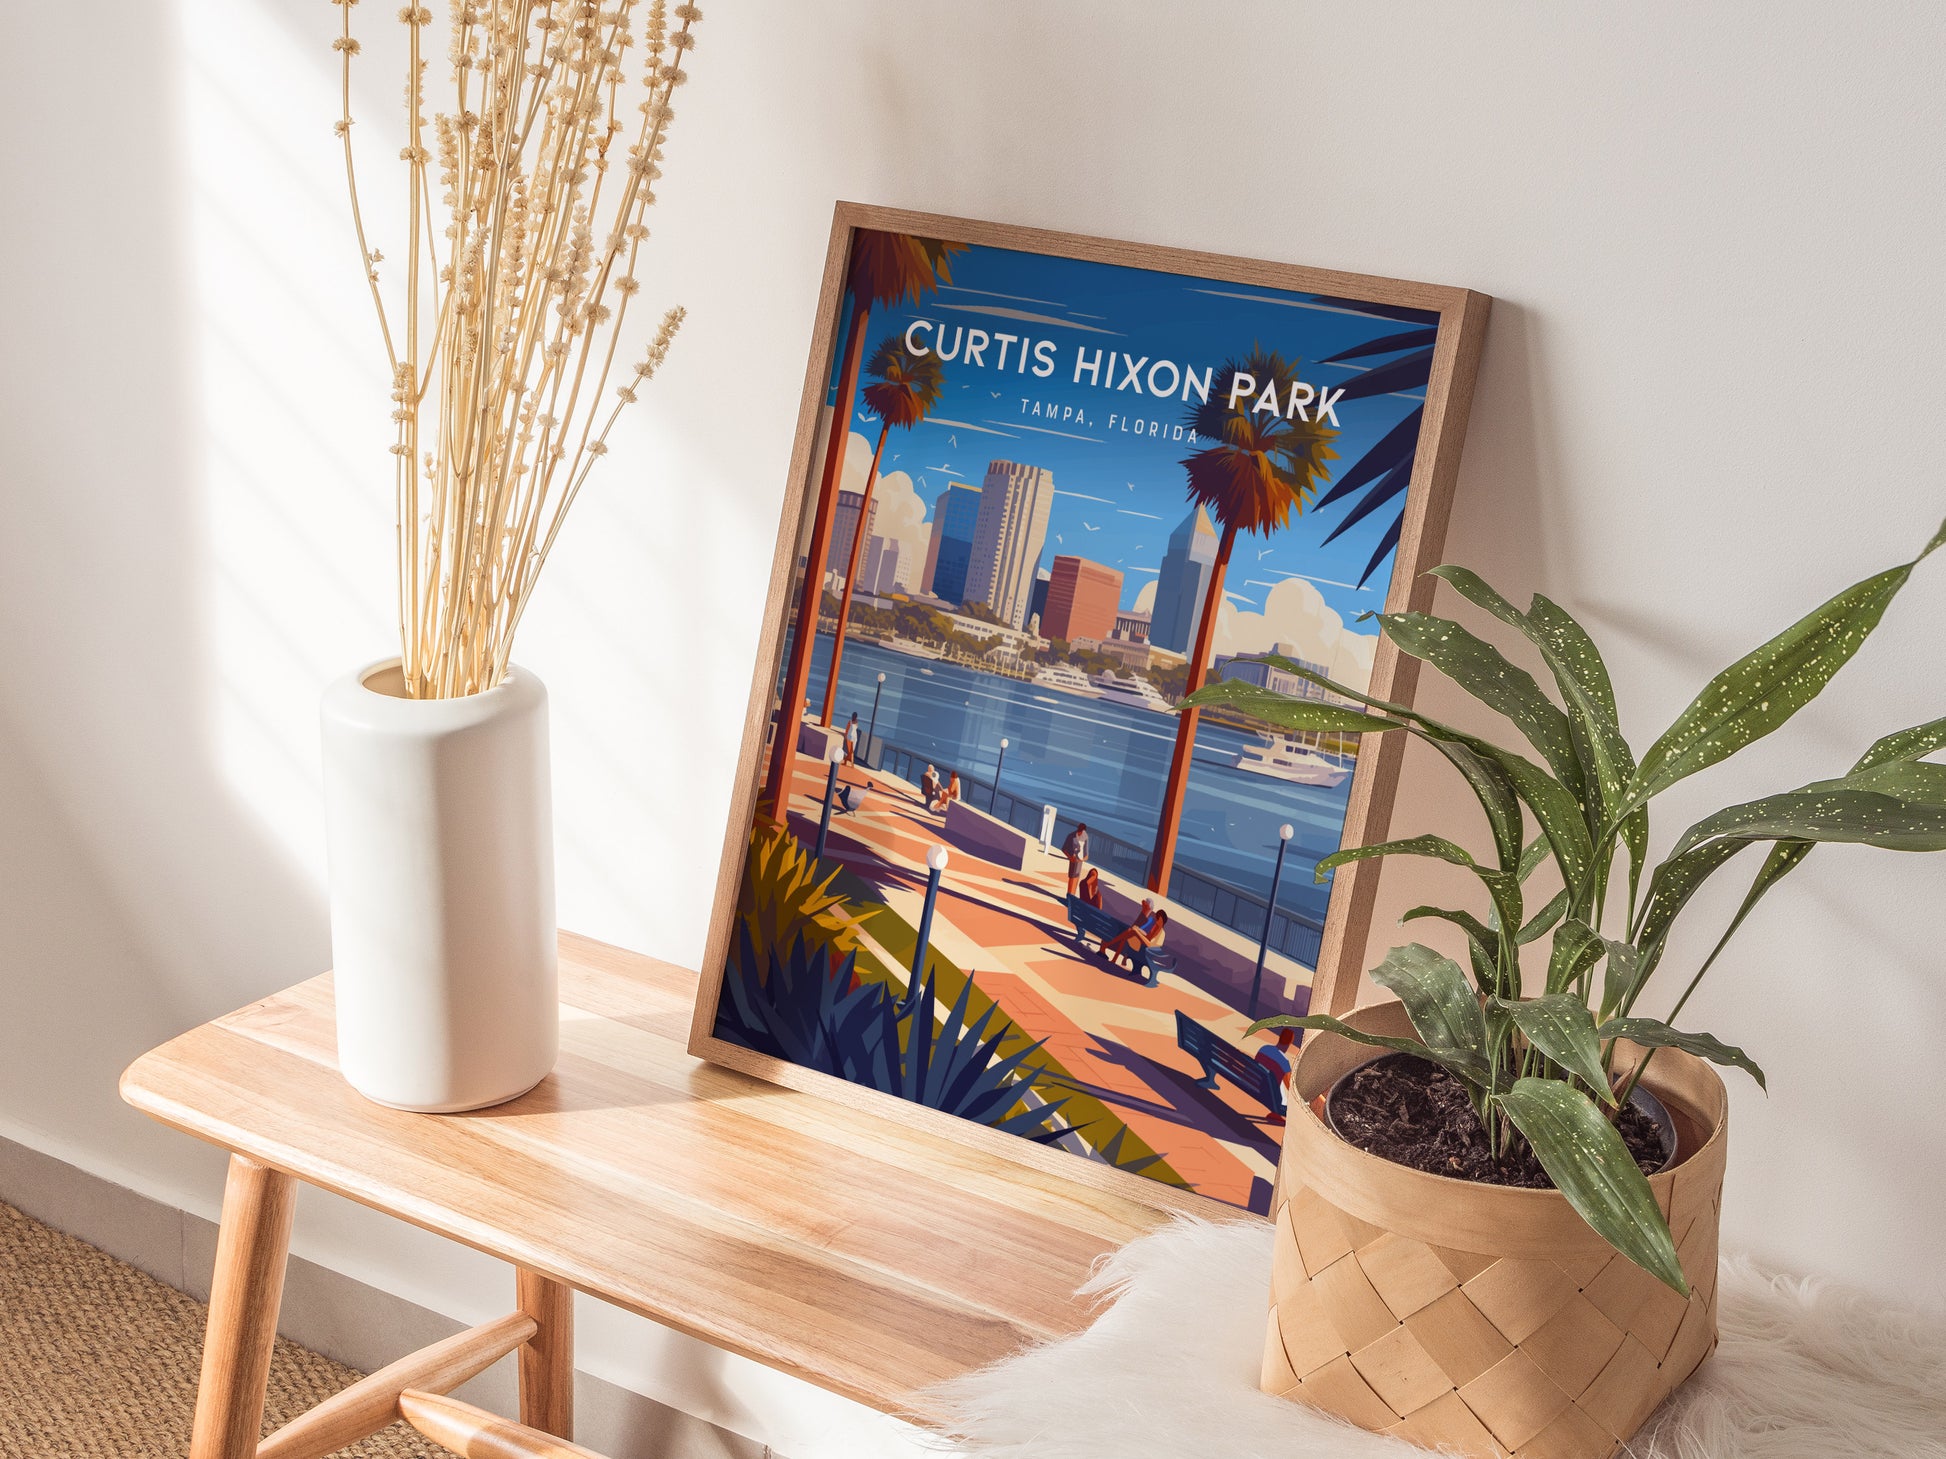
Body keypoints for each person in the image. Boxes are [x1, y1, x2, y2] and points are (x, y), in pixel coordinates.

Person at [1102, 906, 1167, 969]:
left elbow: (1150, 944)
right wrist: (1138, 931)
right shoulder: (1155, 927)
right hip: (1143, 945)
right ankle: (1114, 958)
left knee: (1131, 932)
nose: (1156, 920)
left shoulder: (1162, 933)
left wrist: (1137, 932)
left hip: (1147, 950)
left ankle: (1109, 945)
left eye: (1158, 919)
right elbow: (1147, 937)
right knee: (1129, 932)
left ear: (1162, 920)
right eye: (1156, 918)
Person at [1061, 822, 1090, 898]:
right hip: (1073, 859)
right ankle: (1069, 896)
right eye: (1079, 831)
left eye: (1082, 832)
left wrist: (1083, 859)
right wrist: (1070, 857)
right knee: (1072, 877)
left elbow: (1086, 853)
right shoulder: (1071, 836)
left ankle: (1071, 896)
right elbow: (1064, 849)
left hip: (1080, 860)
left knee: (1076, 878)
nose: (1080, 833)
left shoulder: (1085, 837)